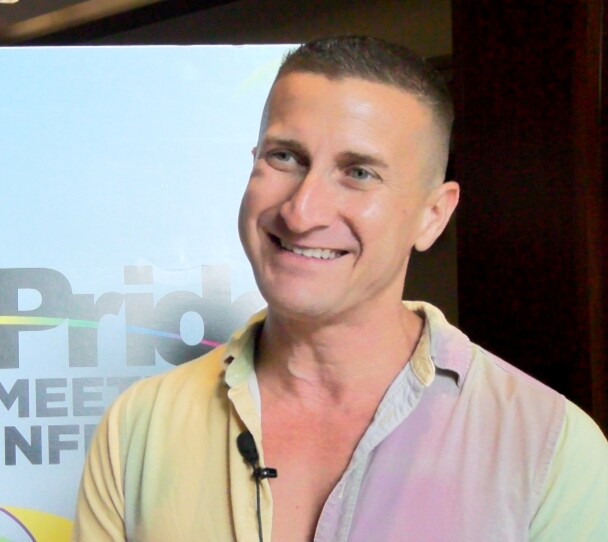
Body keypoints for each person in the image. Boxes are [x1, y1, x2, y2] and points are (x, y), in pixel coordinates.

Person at [72, 36, 608, 542]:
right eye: (284, 157)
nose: (302, 212)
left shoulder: (551, 448)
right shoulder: (137, 425)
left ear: (433, 215)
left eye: (358, 173)